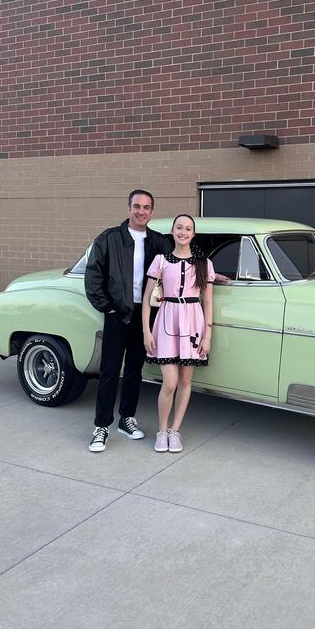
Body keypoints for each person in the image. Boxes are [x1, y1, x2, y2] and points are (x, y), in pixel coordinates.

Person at [85, 189, 172, 452]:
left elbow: (180, 260)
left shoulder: (158, 241)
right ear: (129, 208)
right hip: (117, 313)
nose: (141, 211)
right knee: (110, 370)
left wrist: (208, 271)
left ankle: (127, 419)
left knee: (135, 370)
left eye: (146, 207)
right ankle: (101, 426)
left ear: (152, 212)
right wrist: (107, 308)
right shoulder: (109, 238)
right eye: (137, 206)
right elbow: (93, 275)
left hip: (144, 315)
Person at [142, 214, 214, 453]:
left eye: (188, 228)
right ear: (172, 231)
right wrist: (146, 332)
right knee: (170, 382)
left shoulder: (204, 264)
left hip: (193, 323)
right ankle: (161, 431)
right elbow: (146, 300)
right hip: (166, 321)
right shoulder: (161, 260)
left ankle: (175, 431)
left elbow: (208, 302)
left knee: (185, 381)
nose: (183, 232)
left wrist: (207, 335)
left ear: (193, 234)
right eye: (179, 227)